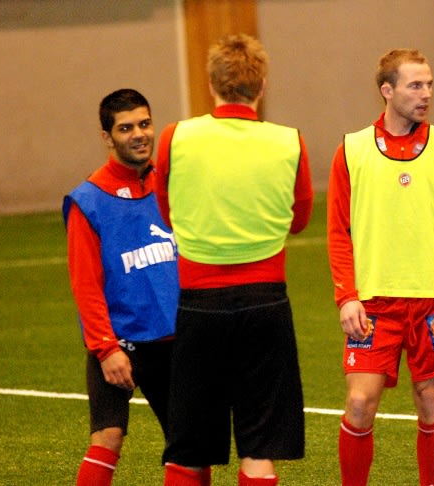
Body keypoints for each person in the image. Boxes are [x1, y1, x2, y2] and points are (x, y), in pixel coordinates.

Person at [155, 33, 312, 486]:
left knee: (189, 448)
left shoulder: (175, 137)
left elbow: (167, 211)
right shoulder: (289, 141)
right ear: (262, 86)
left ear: (211, 84)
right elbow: (299, 219)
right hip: (266, 303)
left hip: (200, 304)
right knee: (259, 448)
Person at [327, 48, 434, 486]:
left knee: (431, 401)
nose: (426, 93)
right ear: (387, 90)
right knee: (360, 403)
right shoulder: (351, 149)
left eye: (429, 84)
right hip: (372, 303)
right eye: (415, 85)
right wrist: (347, 296)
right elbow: (338, 232)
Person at [63, 88, 179, 486]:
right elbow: (85, 285)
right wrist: (106, 348)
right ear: (107, 137)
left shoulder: (170, 184)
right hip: (118, 345)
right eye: (125, 128)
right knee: (108, 437)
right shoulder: (88, 201)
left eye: (144, 124)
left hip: (174, 340)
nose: (139, 134)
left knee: (189, 446)